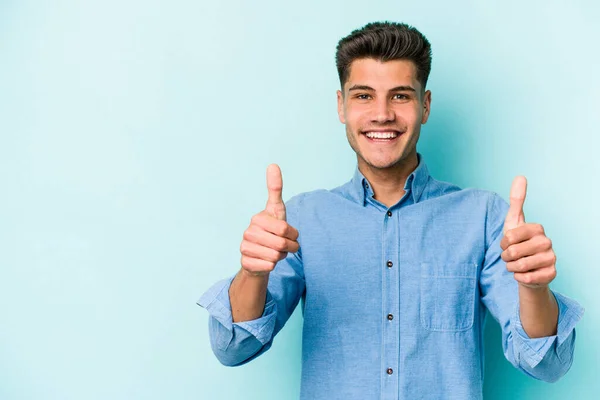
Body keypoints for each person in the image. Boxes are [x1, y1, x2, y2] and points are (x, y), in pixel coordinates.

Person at [197, 21, 583, 399]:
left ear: (425, 105)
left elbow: (546, 364)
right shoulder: (300, 221)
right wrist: (251, 273)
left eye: (400, 95)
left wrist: (534, 289)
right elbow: (233, 349)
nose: (382, 114)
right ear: (341, 105)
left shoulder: (484, 218)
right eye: (363, 95)